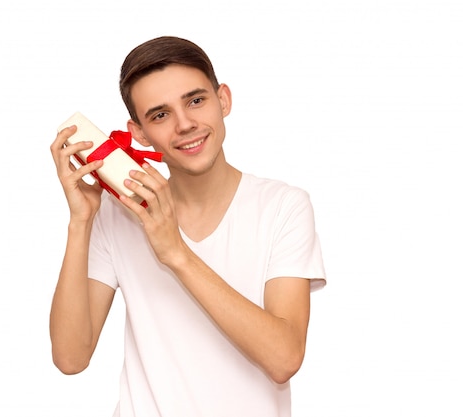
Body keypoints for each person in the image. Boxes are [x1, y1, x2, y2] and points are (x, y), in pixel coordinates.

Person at [49, 36, 326, 417]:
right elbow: (70, 356)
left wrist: (175, 252)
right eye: (160, 115)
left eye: (196, 100)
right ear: (139, 133)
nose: (185, 125)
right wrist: (81, 222)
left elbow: (285, 358)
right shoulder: (119, 214)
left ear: (223, 100)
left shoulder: (282, 207)